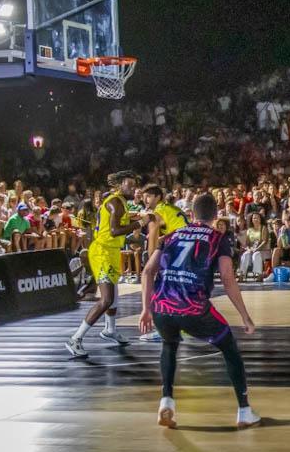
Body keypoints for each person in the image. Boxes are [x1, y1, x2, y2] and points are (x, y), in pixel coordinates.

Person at [139, 193, 260, 429]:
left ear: (191, 214)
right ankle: (244, 410)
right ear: (216, 216)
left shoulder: (171, 235)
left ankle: (166, 401)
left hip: (162, 306)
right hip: (193, 307)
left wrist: (146, 309)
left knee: (169, 345)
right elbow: (227, 277)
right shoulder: (217, 238)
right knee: (229, 347)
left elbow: (147, 272)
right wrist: (245, 316)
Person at [66, 171, 141, 357]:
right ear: (118, 186)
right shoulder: (116, 202)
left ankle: (110, 329)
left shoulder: (119, 202)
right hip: (103, 251)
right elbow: (115, 231)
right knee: (106, 299)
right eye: (129, 185)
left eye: (134, 185)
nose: (133, 188)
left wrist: (135, 218)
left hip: (112, 251)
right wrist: (138, 224)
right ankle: (75, 338)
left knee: (114, 297)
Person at [141, 184, 188, 257]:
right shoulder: (167, 207)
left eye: (148, 196)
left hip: (180, 241)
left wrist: (151, 260)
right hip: (189, 239)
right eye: (143, 197)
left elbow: (152, 241)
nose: (144, 200)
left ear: (157, 197)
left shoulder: (159, 211)